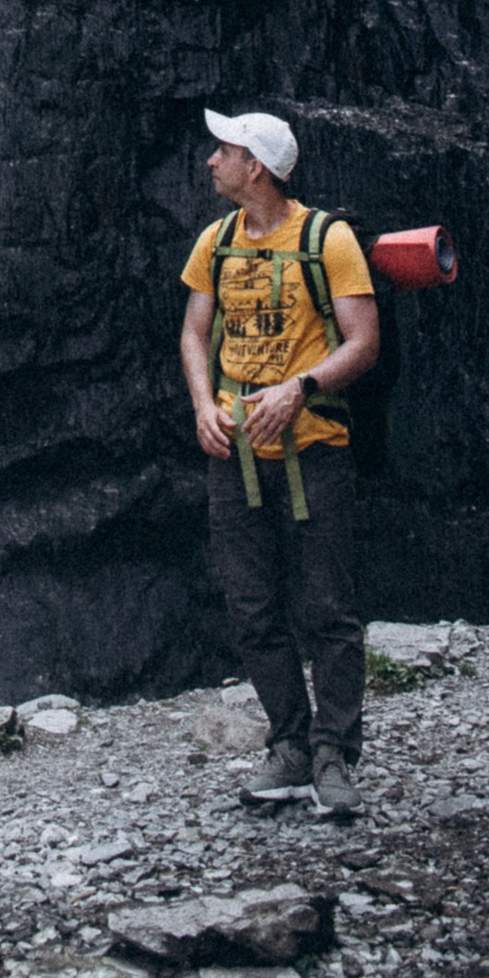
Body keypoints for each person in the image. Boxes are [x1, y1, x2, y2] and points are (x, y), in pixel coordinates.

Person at [179, 106, 380, 818]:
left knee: (327, 607)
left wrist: (301, 388)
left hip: (313, 450)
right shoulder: (217, 241)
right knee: (251, 606)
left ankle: (333, 754)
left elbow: (362, 341)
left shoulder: (331, 240)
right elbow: (195, 329)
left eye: (222, 150)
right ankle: (289, 744)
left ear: (254, 165)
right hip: (233, 452)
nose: (211, 161)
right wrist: (204, 403)